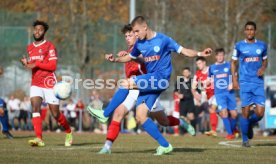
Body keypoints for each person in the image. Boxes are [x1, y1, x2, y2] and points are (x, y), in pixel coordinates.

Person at [89, 16, 211, 155]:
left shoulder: (163, 40)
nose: (134, 35)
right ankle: (165, 145)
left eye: (136, 31)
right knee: (141, 116)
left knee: (126, 83)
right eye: (131, 33)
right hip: (149, 83)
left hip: (160, 78)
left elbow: (183, 51)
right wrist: (115, 59)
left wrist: (200, 53)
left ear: (145, 27)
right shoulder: (139, 44)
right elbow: (130, 57)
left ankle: (105, 114)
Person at [20, 20, 73, 147]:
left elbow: (52, 66)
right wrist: (25, 63)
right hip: (36, 83)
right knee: (35, 108)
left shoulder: (50, 46)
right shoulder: (30, 47)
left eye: (40, 30)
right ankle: (39, 138)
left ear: (44, 32)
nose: (37, 32)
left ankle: (69, 131)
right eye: (35, 29)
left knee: (55, 114)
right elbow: (32, 63)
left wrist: (36, 63)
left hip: (49, 83)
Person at [231, 21, 267, 147]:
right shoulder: (239, 45)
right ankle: (245, 140)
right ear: (245, 31)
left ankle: (250, 123)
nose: (249, 31)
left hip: (258, 83)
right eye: (247, 29)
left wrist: (263, 67)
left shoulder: (262, 45)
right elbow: (233, 63)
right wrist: (234, 79)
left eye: (252, 29)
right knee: (245, 111)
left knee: (260, 113)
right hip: (245, 82)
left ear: (255, 31)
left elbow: (265, 60)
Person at [208, 48, 239, 140]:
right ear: (216, 56)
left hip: (230, 93)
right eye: (218, 55)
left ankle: (233, 130)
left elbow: (235, 76)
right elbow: (210, 78)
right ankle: (230, 134)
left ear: (224, 56)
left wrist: (232, 84)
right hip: (219, 94)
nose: (220, 57)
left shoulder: (229, 65)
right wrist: (207, 82)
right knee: (224, 113)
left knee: (234, 114)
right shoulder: (212, 67)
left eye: (222, 55)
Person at [192, 57, 218, 136]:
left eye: (199, 63)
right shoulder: (197, 73)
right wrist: (195, 94)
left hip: (217, 92)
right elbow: (193, 86)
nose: (198, 65)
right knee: (221, 113)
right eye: (197, 64)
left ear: (204, 62)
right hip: (209, 95)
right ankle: (234, 130)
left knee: (212, 109)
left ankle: (213, 130)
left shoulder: (212, 69)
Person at [174, 67, 197, 132]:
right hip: (183, 101)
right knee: (182, 118)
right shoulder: (179, 81)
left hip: (190, 100)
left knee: (191, 116)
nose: (186, 73)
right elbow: (175, 91)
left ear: (189, 73)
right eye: (184, 72)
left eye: (187, 72)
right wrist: (178, 95)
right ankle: (182, 132)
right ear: (182, 73)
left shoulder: (192, 81)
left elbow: (198, 90)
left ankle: (193, 131)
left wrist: (197, 97)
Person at [0, 67, 13, 139]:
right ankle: (5, 130)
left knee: (4, 112)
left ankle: (5, 130)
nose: (2, 72)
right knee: (2, 111)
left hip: (2, 98)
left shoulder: (2, 79)